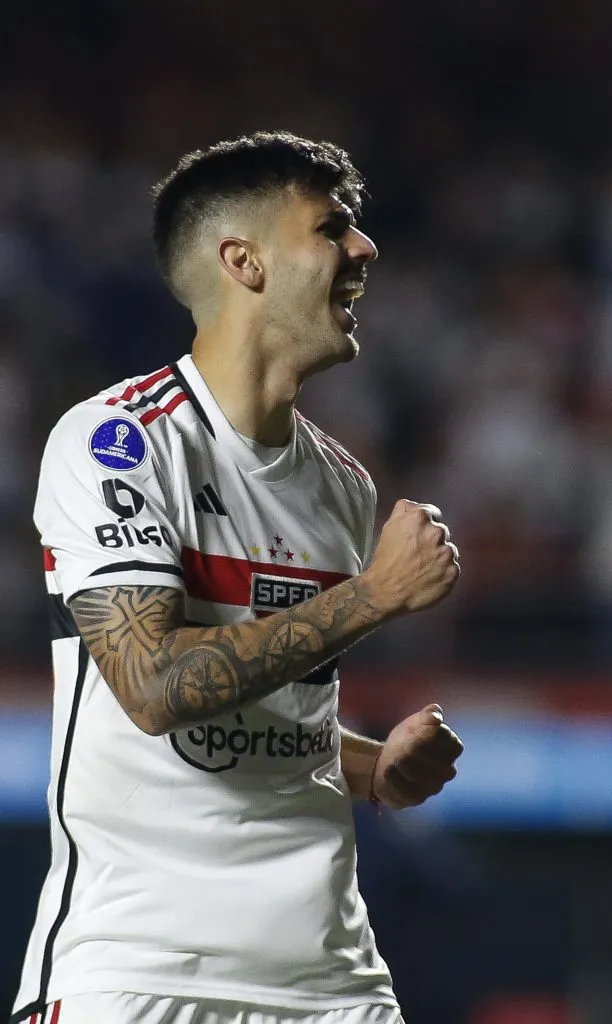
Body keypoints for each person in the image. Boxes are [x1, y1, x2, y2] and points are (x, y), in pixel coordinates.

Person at [12, 131, 463, 1024]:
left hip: (331, 984)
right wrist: (370, 596)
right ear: (243, 262)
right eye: (333, 228)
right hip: (143, 973)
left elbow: (266, 725)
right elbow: (152, 688)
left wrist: (374, 769)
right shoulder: (118, 443)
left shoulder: (342, 485)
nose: (363, 249)